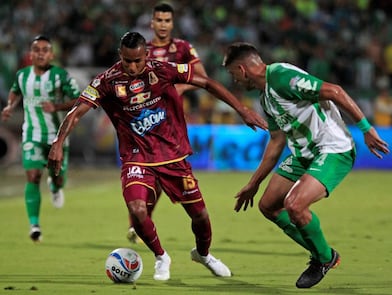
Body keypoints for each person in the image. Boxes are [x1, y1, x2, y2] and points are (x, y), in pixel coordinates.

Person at [48, 32, 267, 281]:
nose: (132, 66)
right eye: (127, 61)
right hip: (136, 157)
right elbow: (77, 111)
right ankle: (161, 256)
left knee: (200, 215)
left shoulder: (162, 70)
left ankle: (204, 255)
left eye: (138, 61)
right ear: (121, 56)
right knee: (137, 208)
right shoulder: (106, 81)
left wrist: (243, 109)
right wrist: (58, 141)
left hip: (172, 156)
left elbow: (205, 82)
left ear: (146, 55)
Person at [222, 42, 389, 288]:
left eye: (232, 74)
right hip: (304, 153)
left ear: (242, 69)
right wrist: (253, 184)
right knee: (268, 206)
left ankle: (322, 259)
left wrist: (366, 128)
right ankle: (324, 253)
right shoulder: (266, 98)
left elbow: (334, 91)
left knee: (295, 205)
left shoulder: (281, 77)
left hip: (333, 148)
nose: (233, 80)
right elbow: (277, 142)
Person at [126, 2, 209, 244]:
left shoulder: (183, 47)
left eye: (167, 20)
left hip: (171, 123)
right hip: (144, 121)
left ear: (172, 23)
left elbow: (202, 77)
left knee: (163, 176)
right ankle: (139, 222)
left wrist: (175, 89)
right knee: (148, 174)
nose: (163, 25)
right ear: (151, 23)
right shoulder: (142, 50)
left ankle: (141, 221)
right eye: (159, 20)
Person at [1, 35, 80, 242]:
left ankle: (55, 186)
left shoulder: (60, 76)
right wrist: (10, 106)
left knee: (58, 177)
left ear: (51, 54)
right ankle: (34, 225)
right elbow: (15, 92)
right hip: (32, 135)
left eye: (45, 50)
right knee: (33, 176)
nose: (41, 53)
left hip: (57, 137)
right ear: (31, 54)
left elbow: (78, 99)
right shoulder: (22, 75)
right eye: (37, 49)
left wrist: (57, 106)